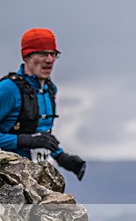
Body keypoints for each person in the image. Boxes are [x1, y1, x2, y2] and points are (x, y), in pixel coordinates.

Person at [0, 27, 86, 180]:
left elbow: (41, 134)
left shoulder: (50, 89)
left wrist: (61, 157)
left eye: (53, 54)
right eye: (42, 53)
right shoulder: (9, 89)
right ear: (26, 57)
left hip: (38, 174)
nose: (49, 60)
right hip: (7, 175)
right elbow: (34, 139)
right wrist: (25, 141)